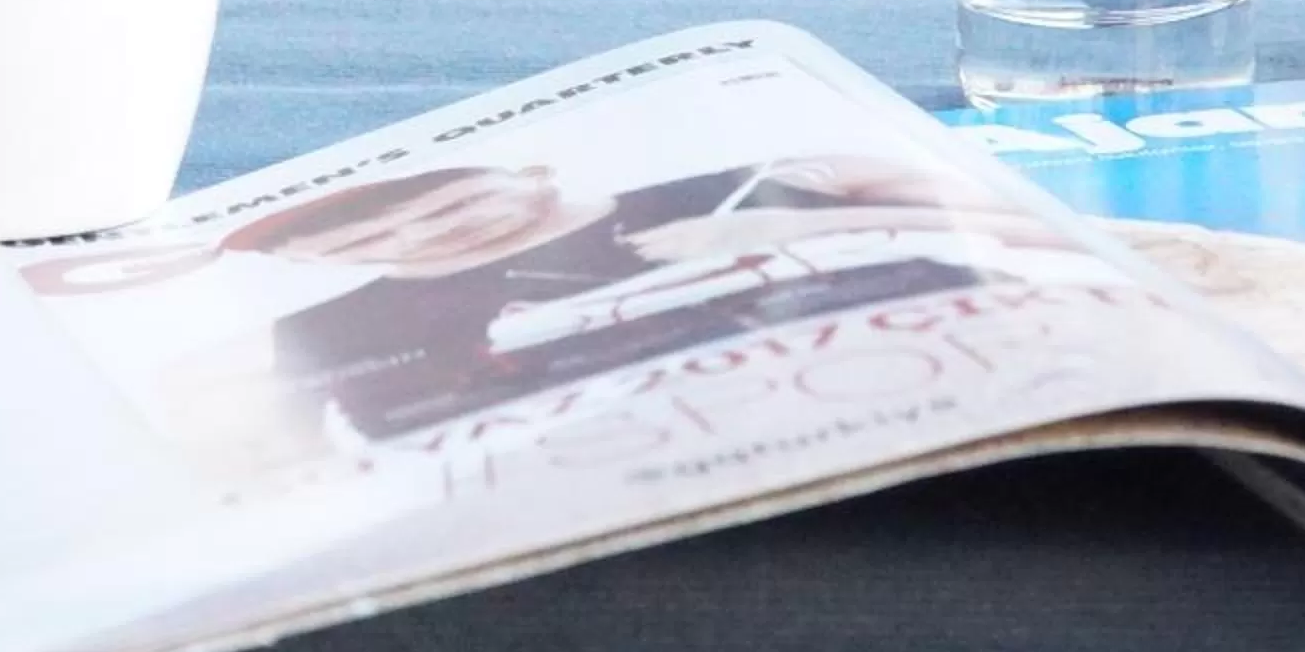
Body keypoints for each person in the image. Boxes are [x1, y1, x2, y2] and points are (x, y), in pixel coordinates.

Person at [176, 153, 1095, 463]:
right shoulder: (338, 333)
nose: (430, 240)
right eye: (360, 246)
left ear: (530, 172)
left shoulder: (747, 181)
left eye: (459, 204)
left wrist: (766, 235)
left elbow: (1074, 238)